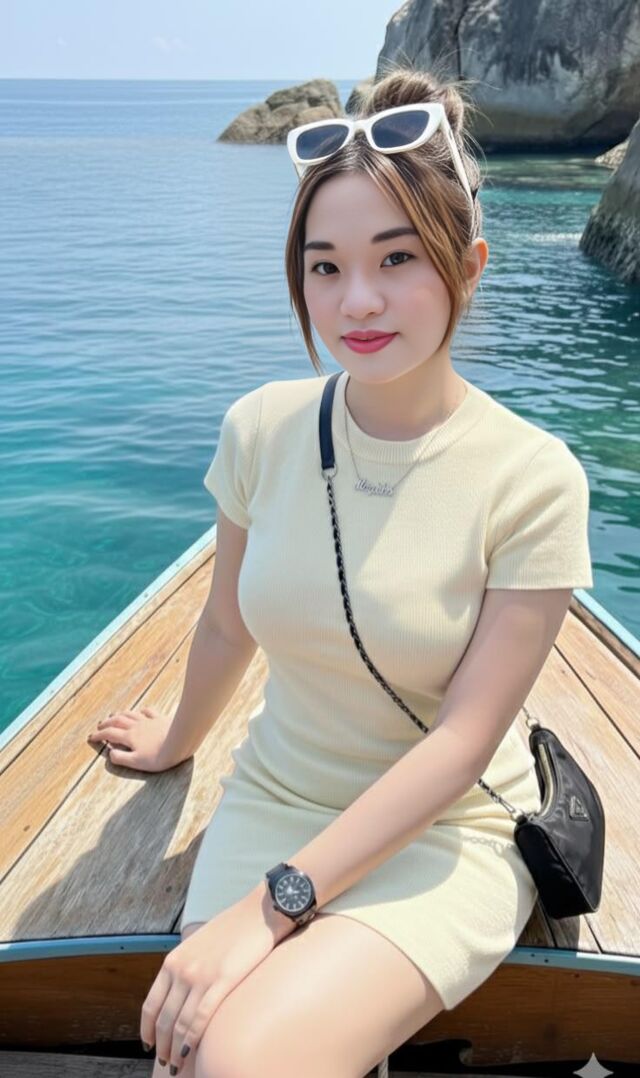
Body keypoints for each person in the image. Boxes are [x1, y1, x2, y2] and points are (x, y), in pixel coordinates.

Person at [88, 67, 593, 1078]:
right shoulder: (261, 429)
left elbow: (461, 743)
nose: (356, 300)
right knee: (194, 1049)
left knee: (241, 1058)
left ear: (468, 264)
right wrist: (177, 738)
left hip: (442, 826)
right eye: (325, 267)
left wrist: (273, 906)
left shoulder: (533, 478)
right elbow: (225, 623)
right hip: (279, 795)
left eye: (396, 258)